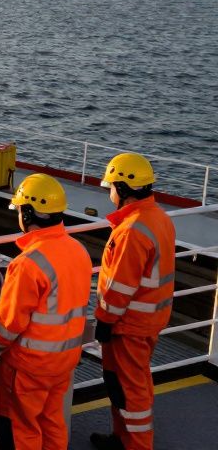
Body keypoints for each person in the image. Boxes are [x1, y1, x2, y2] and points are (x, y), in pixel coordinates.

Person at [0, 174, 92, 450]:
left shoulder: (27, 263)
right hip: (64, 359)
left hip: (29, 367)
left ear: (27, 212)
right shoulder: (78, 251)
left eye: (20, 209)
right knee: (52, 422)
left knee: (22, 431)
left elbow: (9, 322)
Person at [90, 153, 175, 450]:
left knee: (131, 391)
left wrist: (104, 320)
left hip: (128, 326)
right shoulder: (159, 218)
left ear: (123, 189)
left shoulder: (132, 231)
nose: (109, 192)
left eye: (111, 186)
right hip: (148, 320)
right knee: (120, 384)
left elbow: (120, 288)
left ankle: (137, 445)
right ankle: (120, 438)